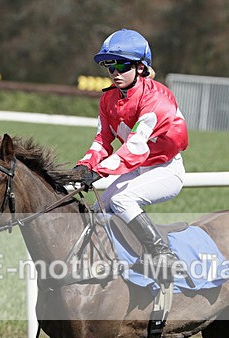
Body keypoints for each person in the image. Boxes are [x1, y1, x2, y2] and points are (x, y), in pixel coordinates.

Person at [73, 28, 189, 284]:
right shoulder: (108, 99)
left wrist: (98, 172)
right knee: (97, 210)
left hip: (165, 170)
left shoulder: (158, 98)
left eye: (122, 65)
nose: (115, 72)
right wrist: (84, 166)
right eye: (110, 66)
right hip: (137, 169)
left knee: (122, 200)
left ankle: (163, 255)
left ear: (140, 67)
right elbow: (102, 140)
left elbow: (135, 147)